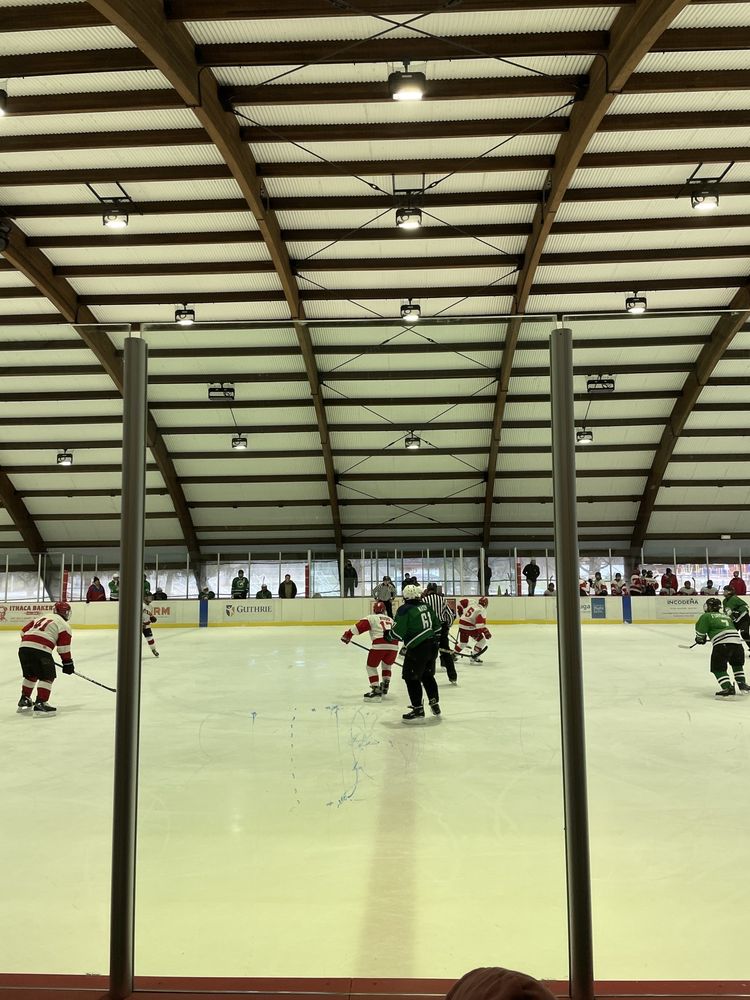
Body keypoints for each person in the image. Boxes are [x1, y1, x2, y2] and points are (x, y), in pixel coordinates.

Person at [391, 584, 441, 722]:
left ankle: (418, 708)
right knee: (427, 675)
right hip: (432, 646)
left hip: (418, 649)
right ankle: (434, 702)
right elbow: (437, 627)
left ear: (404, 597)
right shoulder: (426, 606)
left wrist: (388, 635)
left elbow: (396, 633)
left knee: (410, 677)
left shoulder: (404, 610)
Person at [17, 601, 74, 715]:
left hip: (24, 648)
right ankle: (41, 703)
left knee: (31, 675)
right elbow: (63, 648)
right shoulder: (64, 625)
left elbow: (23, 632)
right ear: (66, 613)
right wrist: (67, 663)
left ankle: (25, 699)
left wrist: (31, 645)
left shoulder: (42, 617)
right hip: (40, 651)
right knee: (47, 676)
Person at [341, 600, 399, 698]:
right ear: (384, 610)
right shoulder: (391, 619)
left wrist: (347, 635)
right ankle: (385, 684)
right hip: (394, 646)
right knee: (387, 665)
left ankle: (375, 688)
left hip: (379, 645)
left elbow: (357, 628)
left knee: (371, 667)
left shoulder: (371, 618)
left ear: (374, 609)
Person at [694, 597, 749, 697]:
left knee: (718, 668)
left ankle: (728, 688)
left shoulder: (706, 616)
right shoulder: (726, 616)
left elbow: (701, 632)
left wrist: (699, 639)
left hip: (723, 644)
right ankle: (742, 684)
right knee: (737, 664)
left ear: (709, 606)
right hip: (737, 643)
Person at [421, 583, 457, 684]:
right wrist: (447, 627)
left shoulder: (424, 600)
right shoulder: (442, 600)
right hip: (442, 627)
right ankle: (452, 676)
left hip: (429, 629)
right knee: (446, 651)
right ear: (436, 590)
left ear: (427, 590)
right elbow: (449, 615)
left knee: (428, 653)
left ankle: (428, 677)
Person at [455, 596, 491, 663]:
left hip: (461, 624)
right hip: (469, 627)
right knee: (482, 641)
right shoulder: (482, 610)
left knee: (463, 642)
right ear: (486, 604)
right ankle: (474, 656)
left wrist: (460, 613)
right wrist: (486, 632)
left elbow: (460, 603)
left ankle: (453, 654)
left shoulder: (472, 603)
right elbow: (479, 625)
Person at [722, 585, 750, 650]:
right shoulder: (724, 601)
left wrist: (738, 612)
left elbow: (746, 606)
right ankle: (731, 649)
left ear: (730, 592)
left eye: (726, 591)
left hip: (743, 618)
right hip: (735, 620)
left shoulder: (735, 598)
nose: (724, 592)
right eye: (724, 591)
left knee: (744, 634)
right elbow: (726, 611)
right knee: (730, 633)